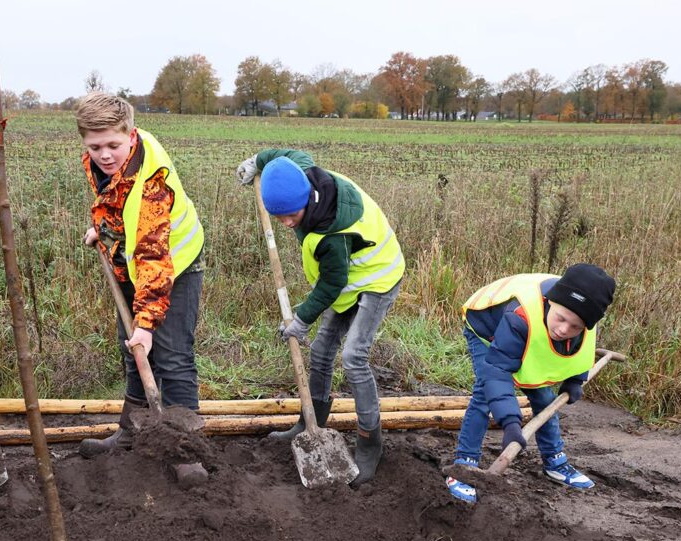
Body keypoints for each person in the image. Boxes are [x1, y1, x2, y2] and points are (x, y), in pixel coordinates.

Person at [236, 150, 404, 485]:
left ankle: (370, 444)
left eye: (290, 216)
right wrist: (258, 160)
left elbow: (332, 283)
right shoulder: (301, 172)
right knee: (323, 349)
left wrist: (301, 319)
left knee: (354, 356)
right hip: (350, 275)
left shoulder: (333, 230)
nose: (285, 223)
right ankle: (311, 421)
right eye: (279, 217)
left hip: (378, 279)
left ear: (306, 201)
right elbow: (281, 155)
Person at [74, 93, 205, 455]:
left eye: (113, 145)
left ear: (131, 136)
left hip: (173, 263)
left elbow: (153, 256)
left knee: (172, 354)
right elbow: (115, 201)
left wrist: (146, 325)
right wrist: (105, 229)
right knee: (132, 349)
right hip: (132, 261)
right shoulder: (102, 160)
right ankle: (131, 434)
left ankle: (187, 450)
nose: (104, 155)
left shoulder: (152, 183)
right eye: (95, 146)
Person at [445, 264, 616, 504]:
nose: (564, 329)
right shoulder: (520, 317)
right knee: (484, 395)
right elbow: (498, 372)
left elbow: (579, 353)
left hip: (527, 333)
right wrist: (510, 423)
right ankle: (464, 465)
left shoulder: (584, 320)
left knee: (544, 397)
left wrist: (575, 379)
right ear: (551, 302)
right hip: (486, 326)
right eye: (561, 319)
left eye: (575, 326)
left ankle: (554, 461)